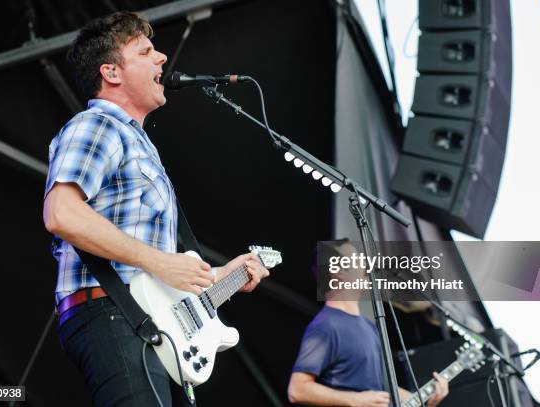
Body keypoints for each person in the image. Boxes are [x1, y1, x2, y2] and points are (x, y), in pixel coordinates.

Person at [42, 11, 269, 407]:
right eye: (147, 51)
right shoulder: (98, 125)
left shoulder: (141, 145)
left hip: (144, 319)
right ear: (111, 72)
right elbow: (61, 213)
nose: (162, 58)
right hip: (109, 311)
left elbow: (158, 276)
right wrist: (160, 262)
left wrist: (218, 277)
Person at [287, 241, 448, 407]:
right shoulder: (326, 326)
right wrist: (355, 400)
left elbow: (380, 386)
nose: (365, 264)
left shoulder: (368, 326)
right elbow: (297, 390)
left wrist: (426, 400)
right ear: (338, 271)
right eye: (357, 258)